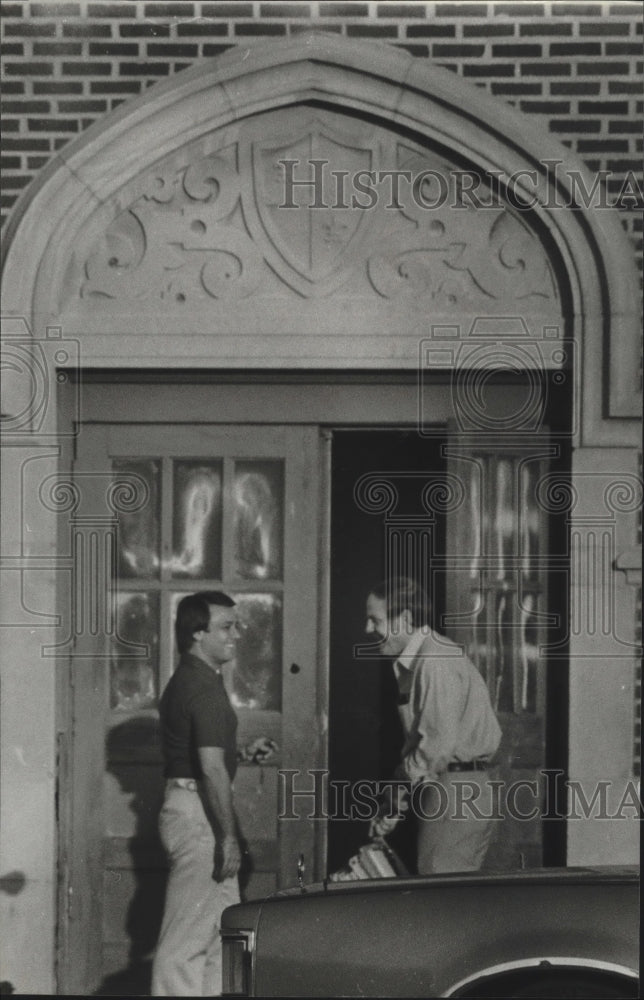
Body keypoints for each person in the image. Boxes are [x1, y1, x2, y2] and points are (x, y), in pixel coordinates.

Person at [151, 591, 276, 997]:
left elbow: (199, 754)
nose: (237, 635)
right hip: (199, 816)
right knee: (183, 947)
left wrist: (238, 753)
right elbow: (209, 768)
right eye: (226, 627)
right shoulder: (201, 689)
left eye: (237, 625)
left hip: (193, 807)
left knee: (217, 937)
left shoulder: (193, 679)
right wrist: (227, 836)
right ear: (197, 634)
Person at [365, 577, 502, 875]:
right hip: (449, 787)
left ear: (405, 619)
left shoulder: (434, 660)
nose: (368, 629)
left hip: (455, 792)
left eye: (374, 620)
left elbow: (435, 750)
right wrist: (395, 800)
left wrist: (399, 786)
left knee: (441, 901)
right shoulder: (422, 659)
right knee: (445, 894)